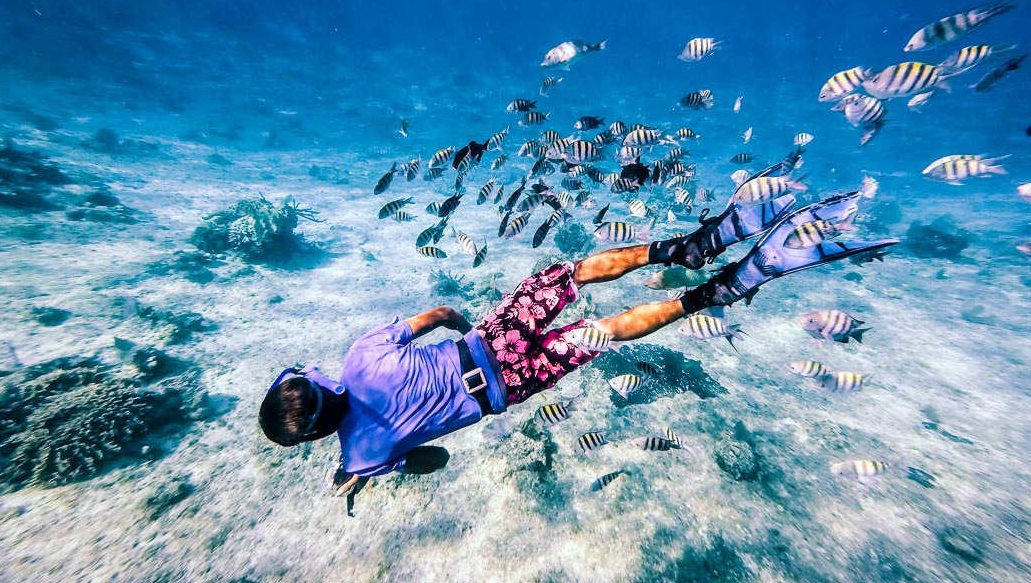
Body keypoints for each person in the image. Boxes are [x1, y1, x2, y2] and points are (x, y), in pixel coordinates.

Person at [258, 190, 895, 501]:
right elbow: (441, 313)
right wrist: (461, 327)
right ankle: (686, 249)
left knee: (607, 332)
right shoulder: (360, 358)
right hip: (491, 337)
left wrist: (363, 472)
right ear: (318, 382)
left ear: (317, 435)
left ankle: (713, 294)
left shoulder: (364, 453)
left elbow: (433, 464)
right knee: (569, 274)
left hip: (512, 386)